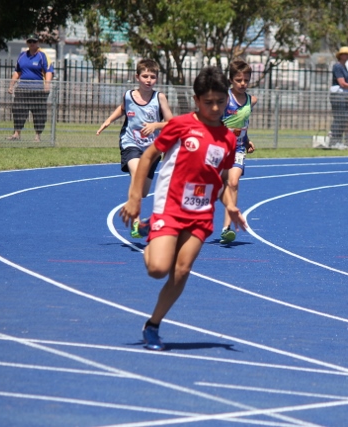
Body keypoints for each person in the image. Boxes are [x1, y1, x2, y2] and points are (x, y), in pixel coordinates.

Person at [119, 66, 247, 351]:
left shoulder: (227, 139)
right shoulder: (180, 125)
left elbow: (221, 180)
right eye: (208, 102)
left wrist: (231, 206)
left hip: (201, 214)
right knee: (157, 269)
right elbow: (149, 156)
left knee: (182, 269)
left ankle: (153, 326)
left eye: (221, 101)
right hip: (171, 207)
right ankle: (152, 231)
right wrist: (135, 198)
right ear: (196, 100)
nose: (215, 108)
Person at [97, 59, 173, 238]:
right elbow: (122, 108)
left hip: (152, 149)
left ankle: (135, 204)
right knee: (137, 172)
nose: (148, 80)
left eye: (152, 77)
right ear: (137, 77)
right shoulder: (128, 96)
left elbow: (172, 122)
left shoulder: (159, 98)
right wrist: (109, 120)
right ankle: (136, 222)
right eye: (145, 76)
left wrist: (156, 125)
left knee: (143, 191)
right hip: (130, 143)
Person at [219, 59, 258, 244]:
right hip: (219, 149)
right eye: (238, 80)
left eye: (246, 80)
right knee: (216, 188)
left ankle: (226, 228)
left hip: (238, 148)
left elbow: (243, 123)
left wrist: (247, 139)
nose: (243, 84)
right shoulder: (224, 99)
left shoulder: (251, 100)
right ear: (231, 80)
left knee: (233, 183)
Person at [7, 34, 54, 142]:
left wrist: (47, 85)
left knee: (38, 113)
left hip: (38, 90)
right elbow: (17, 72)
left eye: (34, 41)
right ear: (27, 43)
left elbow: (48, 71)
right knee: (18, 111)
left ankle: (37, 136)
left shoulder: (42, 55)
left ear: (38, 42)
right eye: (30, 42)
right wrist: (11, 85)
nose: (32, 43)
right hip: (22, 89)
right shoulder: (22, 55)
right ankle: (16, 134)